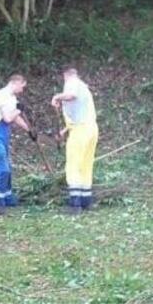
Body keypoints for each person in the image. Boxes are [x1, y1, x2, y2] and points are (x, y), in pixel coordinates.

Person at [51, 66, 98, 213]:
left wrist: (57, 97)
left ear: (65, 75)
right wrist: (64, 131)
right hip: (91, 129)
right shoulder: (84, 86)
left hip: (80, 131)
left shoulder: (72, 83)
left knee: (73, 164)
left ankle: (75, 204)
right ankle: (86, 201)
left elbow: (71, 95)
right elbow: (79, 112)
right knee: (86, 164)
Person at [0, 74, 33, 214]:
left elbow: (15, 117)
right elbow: (7, 118)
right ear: (16, 83)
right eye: (22, 86)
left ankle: (8, 197)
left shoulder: (11, 98)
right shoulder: (2, 96)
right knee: (2, 168)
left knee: (8, 168)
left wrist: (29, 130)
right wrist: (19, 109)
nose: (22, 90)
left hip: (3, 134)